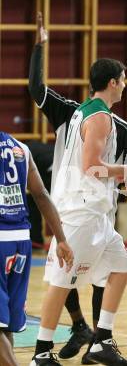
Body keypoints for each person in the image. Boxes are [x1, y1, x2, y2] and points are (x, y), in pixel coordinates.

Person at [28, 13, 127, 365]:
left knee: (122, 268)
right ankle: (41, 352)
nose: (126, 85)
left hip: (97, 214)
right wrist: (125, 170)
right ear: (113, 82)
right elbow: (91, 167)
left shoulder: (86, 113)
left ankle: (101, 340)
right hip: (80, 211)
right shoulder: (98, 117)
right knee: (61, 282)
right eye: (124, 80)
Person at [0, 131, 73, 366]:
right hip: (21, 242)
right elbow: (41, 194)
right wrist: (61, 239)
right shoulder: (20, 147)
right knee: (6, 323)